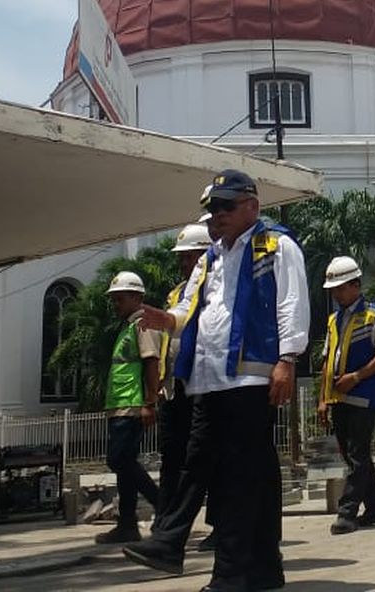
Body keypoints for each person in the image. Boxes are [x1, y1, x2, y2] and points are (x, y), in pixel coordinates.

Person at [123, 170, 307, 592]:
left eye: (226, 206)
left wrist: (287, 359)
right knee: (225, 469)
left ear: (252, 206)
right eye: (212, 208)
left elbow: (292, 304)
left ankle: (227, 573)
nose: (217, 215)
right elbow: (189, 309)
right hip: (208, 379)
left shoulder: (276, 246)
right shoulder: (209, 258)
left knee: (236, 478)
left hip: (249, 376)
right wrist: (165, 320)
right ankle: (259, 567)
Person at [317, 256, 375, 534]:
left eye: (340, 288)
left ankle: (347, 511)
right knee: (353, 456)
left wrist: (357, 377)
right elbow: (327, 360)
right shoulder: (333, 320)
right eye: (334, 290)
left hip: (364, 396)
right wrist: (323, 398)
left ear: (355, 285)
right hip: (339, 398)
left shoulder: (374, 315)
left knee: (358, 453)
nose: (336, 294)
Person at [90, 270, 166, 544]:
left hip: (133, 405)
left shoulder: (144, 324)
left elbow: (151, 363)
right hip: (121, 404)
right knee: (125, 465)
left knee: (119, 460)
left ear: (136, 297)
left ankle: (162, 505)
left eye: (120, 299)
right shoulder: (128, 326)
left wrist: (149, 402)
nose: (115, 305)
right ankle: (127, 524)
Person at [158, 222, 213, 548]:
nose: (183, 264)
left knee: (204, 459)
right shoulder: (177, 293)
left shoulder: (214, 290)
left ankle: (218, 526)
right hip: (176, 385)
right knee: (172, 457)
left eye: (189, 257)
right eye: (182, 258)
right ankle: (165, 526)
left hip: (201, 384)